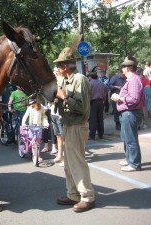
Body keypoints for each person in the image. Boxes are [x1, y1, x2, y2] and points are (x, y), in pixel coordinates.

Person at [53, 47, 95, 212]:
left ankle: (87, 197)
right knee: (69, 164)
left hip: (78, 125)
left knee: (77, 162)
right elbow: (58, 97)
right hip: (68, 124)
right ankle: (73, 194)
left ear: (64, 66)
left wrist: (64, 97)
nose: (56, 69)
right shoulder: (64, 79)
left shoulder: (80, 79)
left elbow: (82, 108)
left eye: (58, 65)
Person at [111, 56, 144, 172]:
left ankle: (134, 163)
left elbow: (134, 99)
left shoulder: (134, 80)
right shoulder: (131, 80)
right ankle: (129, 159)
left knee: (131, 139)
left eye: (123, 67)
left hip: (131, 113)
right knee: (126, 138)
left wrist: (119, 98)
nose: (122, 70)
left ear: (127, 68)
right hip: (127, 112)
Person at [87, 70, 107, 140]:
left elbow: (88, 94)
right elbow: (105, 92)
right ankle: (101, 134)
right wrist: (104, 100)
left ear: (91, 77)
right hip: (101, 101)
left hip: (93, 102)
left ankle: (92, 135)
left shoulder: (90, 84)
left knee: (93, 119)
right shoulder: (101, 83)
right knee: (100, 118)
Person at [50, 67, 64, 164]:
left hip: (60, 113)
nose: (53, 73)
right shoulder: (53, 84)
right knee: (58, 135)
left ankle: (66, 157)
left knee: (64, 136)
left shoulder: (63, 82)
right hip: (53, 112)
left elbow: (65, 96)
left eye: (55, 71)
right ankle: (60, 155)